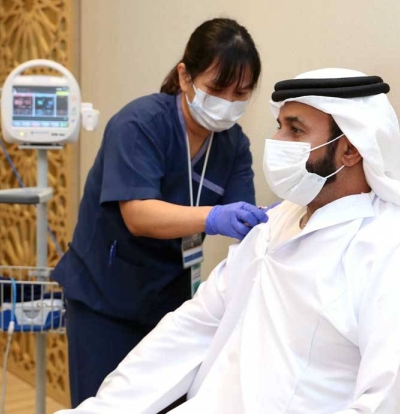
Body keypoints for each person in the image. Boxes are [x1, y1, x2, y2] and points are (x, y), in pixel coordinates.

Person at [56, 68, 400, 414]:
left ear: (350, 150)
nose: (276, 144)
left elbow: (388, 404)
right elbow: (193, 328)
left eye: (295, 131)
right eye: (279, 127)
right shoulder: (275, 224)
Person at [51, 18, 268, 407]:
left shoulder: (233, 145)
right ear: (185, 77)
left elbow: (244, 220)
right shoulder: (139, 124)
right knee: (105, 403)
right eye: (218, 89)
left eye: (241, 94)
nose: (229, 104)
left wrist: (276, 221)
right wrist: (212, 217)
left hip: (169, 301)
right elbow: (138, 214)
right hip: (106, 299)